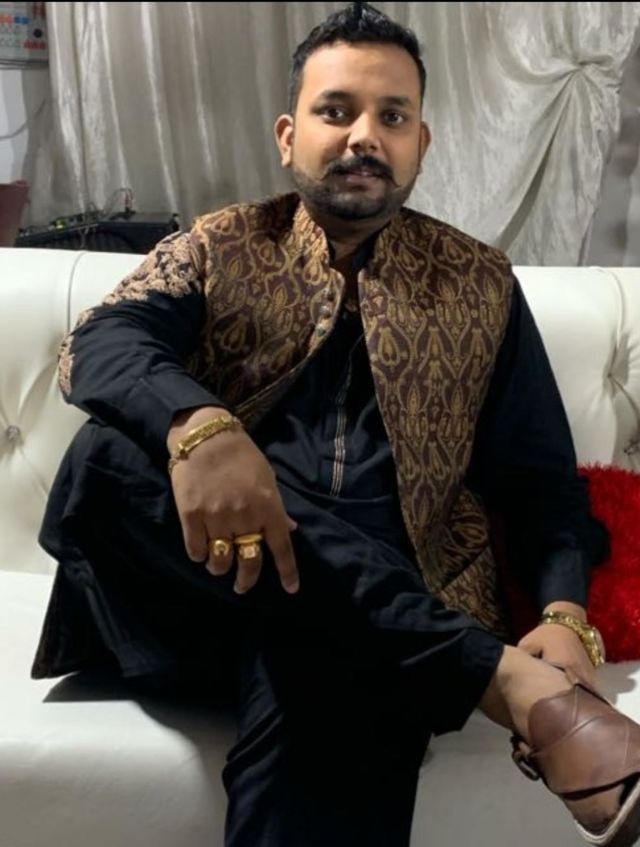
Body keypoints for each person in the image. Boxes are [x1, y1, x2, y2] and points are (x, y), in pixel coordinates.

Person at [31, 3, 640, 846]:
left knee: (339, 651)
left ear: (421, 143)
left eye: (392, 117)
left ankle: (454, 656)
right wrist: (203, 428)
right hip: (197, 593)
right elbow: (101, 342)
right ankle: (495, 678)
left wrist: (565, 611)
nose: (364, 136)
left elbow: (540, 484)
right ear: (289, 136)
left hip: (377, 612)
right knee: (105, 456)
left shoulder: (480, 285)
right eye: (336, 110)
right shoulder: (221, 245)